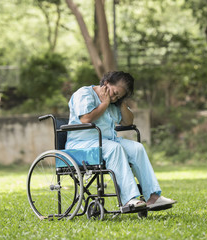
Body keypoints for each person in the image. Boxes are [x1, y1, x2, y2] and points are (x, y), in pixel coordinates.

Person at [66, 71, 176, 209]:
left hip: (106, 141)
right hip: (82, 144)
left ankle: (153, 197)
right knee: (114, 148)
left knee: (137, 148)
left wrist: (121, 102)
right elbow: (85, 119)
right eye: (114, 92)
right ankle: (129, 199)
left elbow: (127, 121)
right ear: (106, 83)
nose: (113, 98)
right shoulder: (84, 94)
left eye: (118, 96)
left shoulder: (114, 102)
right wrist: (105, 103)